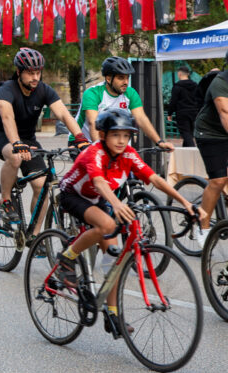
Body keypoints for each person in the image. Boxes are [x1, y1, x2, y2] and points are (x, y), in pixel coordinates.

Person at [55, 109, 196, 335]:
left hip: (98, 199)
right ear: (103, 135)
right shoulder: (95, 153)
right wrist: (117, 205)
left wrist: (184, 203)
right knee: (107, 225)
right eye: (115, 135)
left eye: (126, 136)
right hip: (73, 195)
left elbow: (155, 179)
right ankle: (67, 257)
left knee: (115, 258)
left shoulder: (128, 154)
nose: (121, 141)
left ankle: (113, 314)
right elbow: (100, 183)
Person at [0, 48, 90, 222]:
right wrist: (16, 143)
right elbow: (7, 117)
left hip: (27, 139)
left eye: (38, 72)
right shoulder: (7, 89)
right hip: (0, 135)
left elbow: (64, 114)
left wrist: (80, 138)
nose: (35, 77)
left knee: (42, 187)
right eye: (30, 73)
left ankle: (35, 238)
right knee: (15, 157)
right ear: (19, 72)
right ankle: (5, 200)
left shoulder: (44, 90)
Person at [78, 57, 172, 151]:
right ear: (108, 79)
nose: (126, 82)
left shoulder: (130, 93)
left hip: (113, 144)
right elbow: (93, 123)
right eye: (121, 78)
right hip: (85, 141)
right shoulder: (92, 93)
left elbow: (141, 119)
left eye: (127, 78)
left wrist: (160, 142)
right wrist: (102, 152)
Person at [192, 60, 228, 245]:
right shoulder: (220, 83)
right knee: (218, 179)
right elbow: (225, 114)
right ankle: (203, 224)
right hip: (210, 134)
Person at [169, 67, 200, 146]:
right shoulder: (195, 85)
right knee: (189, 133)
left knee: (185, 133)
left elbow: (173, 101)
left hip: (182, 112)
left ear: (179, 74)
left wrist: (170, 113)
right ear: (188, 74)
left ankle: (193, 150)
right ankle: (185, 152)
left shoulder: (177, 87)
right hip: (194, 112)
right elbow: (199, 98)